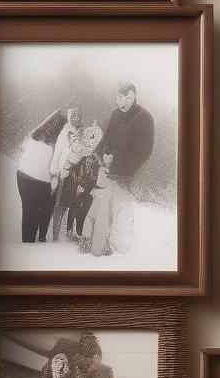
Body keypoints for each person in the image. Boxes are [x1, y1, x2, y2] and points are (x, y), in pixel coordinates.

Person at [83, 83, 155, 257]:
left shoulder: (145, 118)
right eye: (119, 97)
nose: (122, 101)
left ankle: (116, 256)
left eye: (127, 97)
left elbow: (144, 153)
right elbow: (105, 140)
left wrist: (115, 162)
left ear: (134, 97)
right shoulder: (115, 113)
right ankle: (93, 247)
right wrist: (101, 155)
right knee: (99, 210)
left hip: (125, 179)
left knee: (120, 218)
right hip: (105, 172)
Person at [16, 108, 71, 244]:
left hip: (22, 174)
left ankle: (26, 241)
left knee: (28, 210)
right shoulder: (59, 142)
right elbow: (58, 167)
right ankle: (34, 241)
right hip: (40, 180)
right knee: (39, 211)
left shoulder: (37, 135)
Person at [50, 120, 101, 242]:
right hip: (70, 178)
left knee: (72, 207)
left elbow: (93, 170)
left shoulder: (92, 154)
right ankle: (55, 235)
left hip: (80, 183)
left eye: (94, 139)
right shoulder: (80, 146)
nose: (91, 140)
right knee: (61, 206)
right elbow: (74, 152)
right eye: (89, 137)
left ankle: (67, 232)